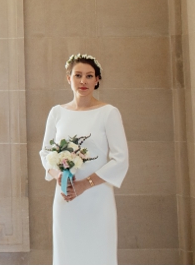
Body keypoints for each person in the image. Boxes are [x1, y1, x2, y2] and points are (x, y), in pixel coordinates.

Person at [39, 54, 129, 265]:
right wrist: (59, 176)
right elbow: (45, 153)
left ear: (97, 80)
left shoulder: (108, 113)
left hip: (98, 199)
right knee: (67, 254)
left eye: (89, 76)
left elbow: (120, 159)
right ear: (68, 78)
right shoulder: (57, 113)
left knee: (99, 253)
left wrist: (85, 184)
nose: (83, 81)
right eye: (78, 75)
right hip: (66, 197)